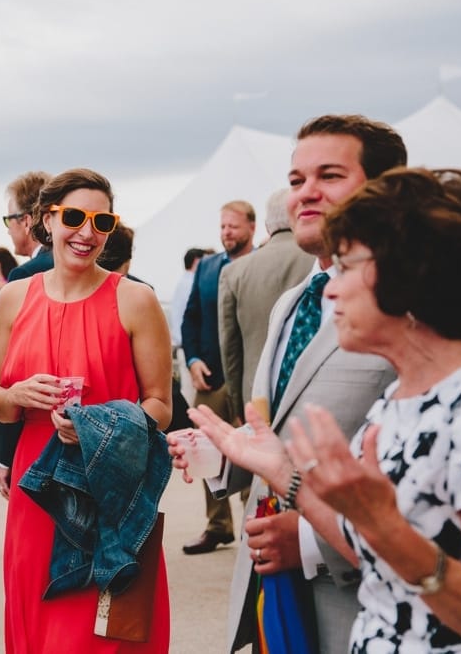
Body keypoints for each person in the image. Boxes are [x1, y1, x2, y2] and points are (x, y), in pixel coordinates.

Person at [183, 168, 461, 652]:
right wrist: (278, 467)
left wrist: (386, 528)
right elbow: (365, 543)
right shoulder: (404, 396)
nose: (330, 289)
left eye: (349, 267)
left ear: (412, 277)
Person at [174, 114, 407, 653]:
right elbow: (278, 429)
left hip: (361, 603)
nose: (306, 193)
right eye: (298, 179)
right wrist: (221, 455)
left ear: (385, 191)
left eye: (329, 176)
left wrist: (308, 541)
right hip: (271, 599)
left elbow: (430, 484)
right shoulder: (293, 301)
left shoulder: (416, 306)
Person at [0, 168, 173, 652]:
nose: (87, 232)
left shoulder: (135, 299)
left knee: (97, 633)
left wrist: (101, 427)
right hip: (36, 489)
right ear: (46, 220)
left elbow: (161, 405)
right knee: (38, 621)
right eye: (74, 217)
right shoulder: (13, 298)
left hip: (106, 484)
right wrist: (18, 395)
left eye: (102, 221)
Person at [179, 200, 256, 554]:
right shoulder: (207, 267)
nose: (226, 232)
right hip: (210, 376)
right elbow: (191, 317)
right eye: (223, 226)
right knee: (204, 453)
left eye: (233, 226)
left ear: (251, 228)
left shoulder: (260, 264)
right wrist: (192, 360)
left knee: (249, 454)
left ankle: (252, 528)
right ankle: (217, 526)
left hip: (248, 381)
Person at [0, 171, 54, 498]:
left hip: (38, 431)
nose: (9, 229)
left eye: (8, 219)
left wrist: (5, 454)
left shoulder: (25, 276)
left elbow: (16, 371)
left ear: (26, 221)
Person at [218, 189, 314, 421]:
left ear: (267, 224)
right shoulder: (319, 260)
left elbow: (229, 348)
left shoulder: (234, 271)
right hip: (311, 391)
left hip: (255, 396)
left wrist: (236, 402)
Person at [6, 170, 54, 280]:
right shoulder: (76, 263)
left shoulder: (24, 274)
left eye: (8, 220)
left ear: (27, 222)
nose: (8, 231)